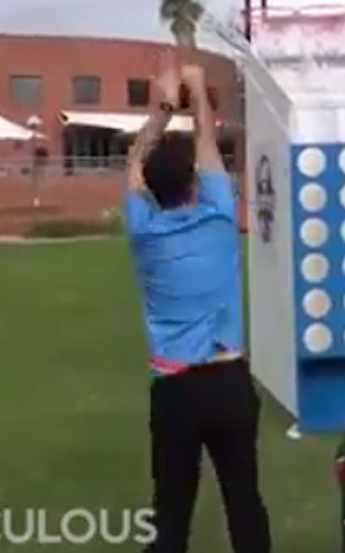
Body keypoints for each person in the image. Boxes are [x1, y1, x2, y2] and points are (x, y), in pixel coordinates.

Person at [125, 60, 271, 553]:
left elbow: (133, 165)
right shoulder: (219, 216)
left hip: (175, 392)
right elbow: (208, 144)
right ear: (193, 182)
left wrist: (161, 108)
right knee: (244, 501)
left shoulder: (143, 231)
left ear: (152, 190)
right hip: (229, 384)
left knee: (171, 515)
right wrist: (194, 91)